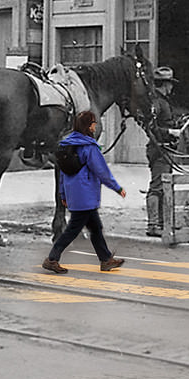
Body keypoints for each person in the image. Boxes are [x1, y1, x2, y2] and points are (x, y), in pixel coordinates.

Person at [42, 110, 127, 274]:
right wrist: (117, 188)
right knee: (73, 230)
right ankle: (52, 259)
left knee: (95, 228)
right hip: (86, 194)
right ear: (87, 126)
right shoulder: (89, 147)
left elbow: (62, 174)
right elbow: (102, 172)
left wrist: (63, 195)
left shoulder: (66, 145)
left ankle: (106, 260)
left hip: (74, 194)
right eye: (93, 123)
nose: (95, 126)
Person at [144, 66, 184, 237]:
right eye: (170, 84)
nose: (172, 88)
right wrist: (170, 132)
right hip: (159, 148)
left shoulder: (163, 102)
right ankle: (153, 225)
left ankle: (161, 223)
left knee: (162, 186)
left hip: (165, 148)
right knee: (157, 186)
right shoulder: (156, 103)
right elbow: (151, 127)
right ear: (165, 85)